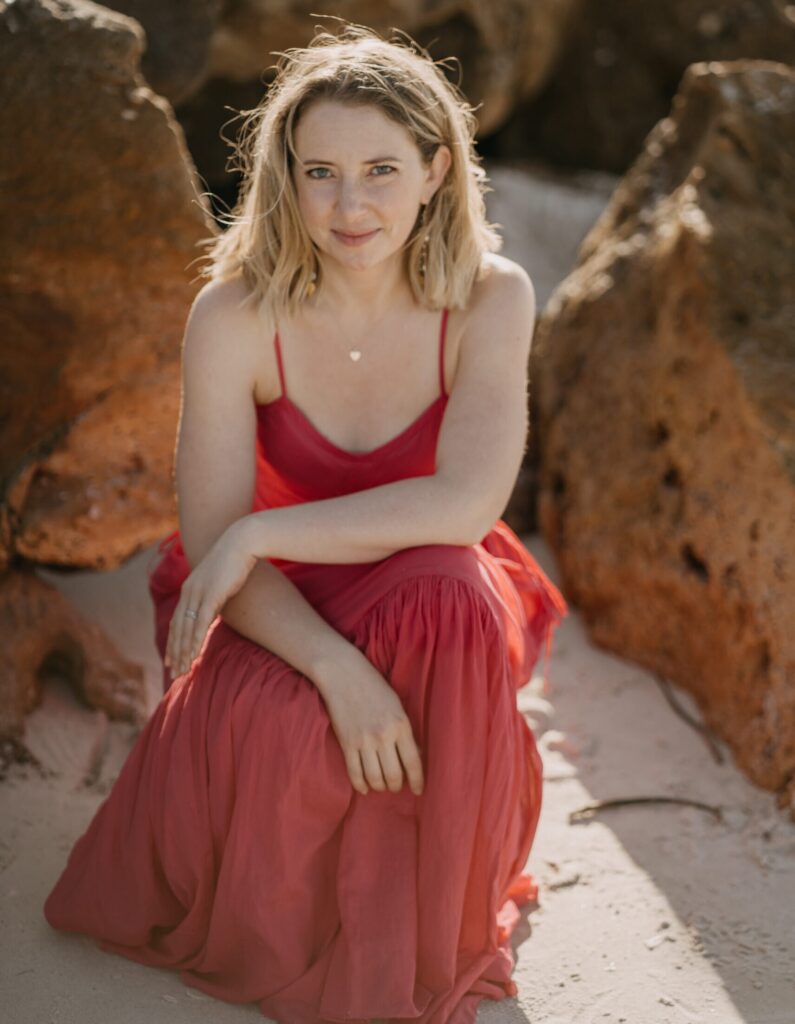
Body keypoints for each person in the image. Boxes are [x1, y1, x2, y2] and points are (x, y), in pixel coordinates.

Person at [43, 22, 568, 1024]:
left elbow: (464, 506)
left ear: (436, 171)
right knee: (292, 744)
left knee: (453, 586)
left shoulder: (491, 296)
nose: (350, 203)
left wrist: (255, 530)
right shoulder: (234, 313)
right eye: (320, 171)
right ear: (285, 177)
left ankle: (429, 921)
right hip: (262, 600)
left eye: (380, 169)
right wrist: (331, 662)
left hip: (407, 575)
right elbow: (212, 536)